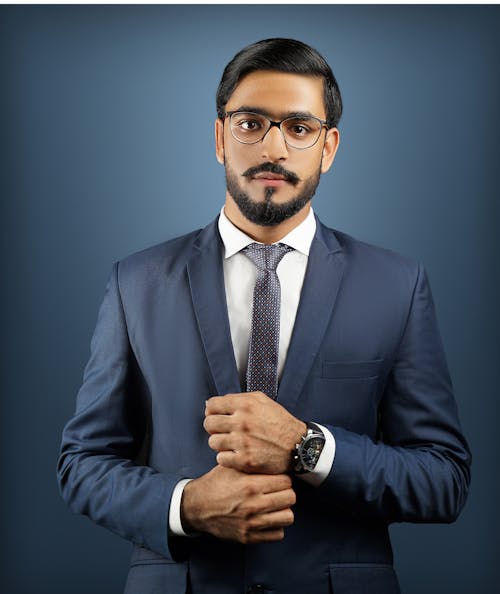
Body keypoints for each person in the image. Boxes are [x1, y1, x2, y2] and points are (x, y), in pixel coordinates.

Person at [57, 38, 471, 594]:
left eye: (299, 128)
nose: (273, 148)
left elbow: (443, 479)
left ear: (328, 147)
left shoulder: (397, 284)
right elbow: (82, 463)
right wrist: (186, 506)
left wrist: (309, 448)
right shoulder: (135, 282)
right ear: (220, 137)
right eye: (251, 123)